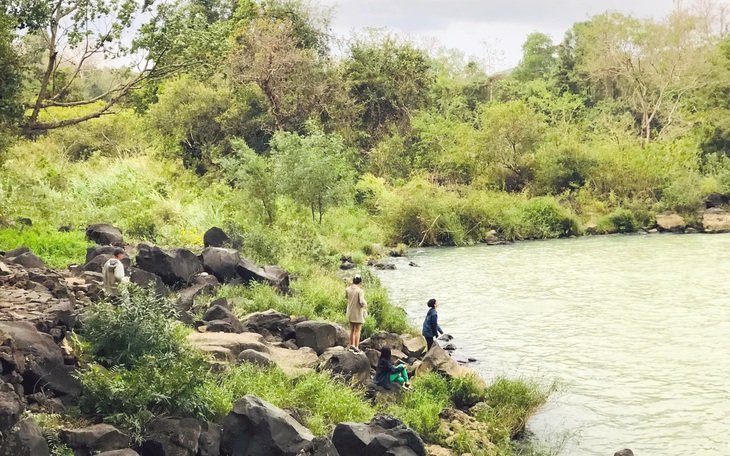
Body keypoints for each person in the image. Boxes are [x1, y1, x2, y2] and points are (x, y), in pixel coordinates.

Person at [345, 274, 367, 353]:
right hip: (357, 312)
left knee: (352, 329)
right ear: (360, 282)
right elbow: (361, 302)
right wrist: (365, 304)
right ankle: (356, 347)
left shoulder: (347, 289)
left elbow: (347, 297)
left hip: (350, 312)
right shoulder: (360, 291)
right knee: (358, 330)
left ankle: (351, 345)